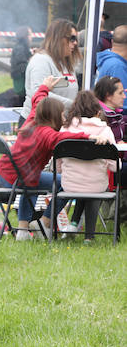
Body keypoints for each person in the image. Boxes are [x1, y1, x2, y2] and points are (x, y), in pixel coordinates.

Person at [0, 76, 107, 241]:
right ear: (54, 116)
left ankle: (23, 230)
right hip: (18, 178)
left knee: (30, 180)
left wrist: (44, 87)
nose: (64, 118)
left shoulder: (33, 118)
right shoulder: (48, 134)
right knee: (67, 183)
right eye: (62, 115)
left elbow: (38, 99)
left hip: (6, 172)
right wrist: (90, 135)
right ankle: (45, 221)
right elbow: (65, 137)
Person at [58, 91, 117, 240]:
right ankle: (89, 237)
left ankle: (74, 224)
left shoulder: (65, 129)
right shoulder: (105, 130)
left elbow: (57, 167)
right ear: (97, 112)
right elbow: (114, 167)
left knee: (86, 182)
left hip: (69, 186)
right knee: (92, 183)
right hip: (96, 186)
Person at [21, 19, 80, 120]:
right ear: (58, 38)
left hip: (58, 122)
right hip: (37, 124)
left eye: (76, 39)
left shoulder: (66, 62)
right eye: (72, 38)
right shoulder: (41, 60)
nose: (75, 43)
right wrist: (74, 105)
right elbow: (38, 95)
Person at [10, 26, 32, 103]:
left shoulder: (23, 47)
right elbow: (21, 65)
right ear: (24, 36)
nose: (31, 37)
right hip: (21, 81)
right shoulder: (20, 48)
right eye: (29, 35)